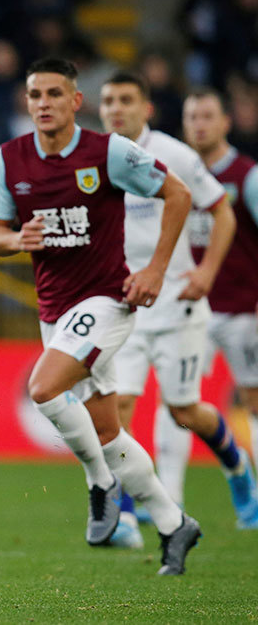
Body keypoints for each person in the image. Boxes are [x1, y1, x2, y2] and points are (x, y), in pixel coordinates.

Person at [0, 58, 201, 575]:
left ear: (75, 102)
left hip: (107, 300)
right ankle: (175, 524)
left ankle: (100, 484)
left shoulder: (108, 153)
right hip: (54, 309)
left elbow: (180, 194)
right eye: (35, 94)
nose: (43, 104)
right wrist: (16, 240)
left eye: (54, 94)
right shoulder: (10, 158)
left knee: (43, 389)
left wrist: (154, 270)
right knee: (106, 432)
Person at [97, 72, 258, 548]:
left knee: (184, 410)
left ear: (146, 108)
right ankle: (124, 516)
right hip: (123, 307)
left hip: (177, 307)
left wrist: (206, 273)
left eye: (127, 100)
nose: (116, 109)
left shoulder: (176, 155)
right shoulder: (93, 158)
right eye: (109, 101)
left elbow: (221, 210)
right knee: (117, 406)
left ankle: (236, 465)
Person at [184, 88, 258, 480]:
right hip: (190, 308)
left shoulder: (247, 176)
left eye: (207, 116)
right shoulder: (177, 176)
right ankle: (171, 501)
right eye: (192, 116)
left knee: (254, 399)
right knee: (175, 400)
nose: (199, 124)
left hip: (243, 309)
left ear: (225, 122)